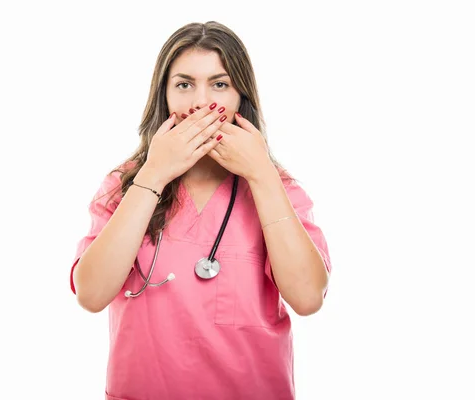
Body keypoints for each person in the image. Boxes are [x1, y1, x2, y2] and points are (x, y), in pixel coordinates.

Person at [70, 21, 332, 400]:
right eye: (184, 84)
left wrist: (261, 176)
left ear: (241, 96)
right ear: (164, 96)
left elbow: (308, 298)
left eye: (219, 84)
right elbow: (91, 295)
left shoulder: (278, 188)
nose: (199, 101)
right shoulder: (124, 185)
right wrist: (154, 174)